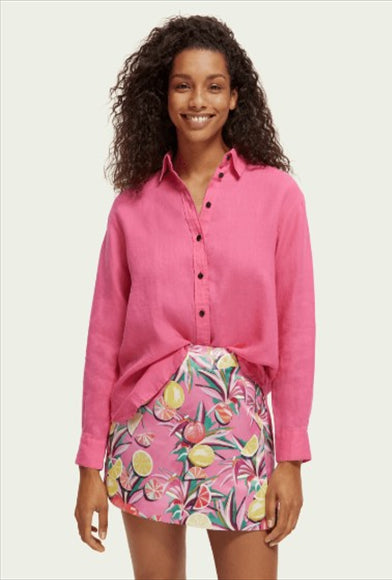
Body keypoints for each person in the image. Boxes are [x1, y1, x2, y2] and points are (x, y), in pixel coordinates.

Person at [74, 14, 316, 580]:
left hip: (241, 429)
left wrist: (291, 460)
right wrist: (89, 464)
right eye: (183, 85)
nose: (198, 100)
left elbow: (297, 330)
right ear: (163, 97)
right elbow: (103, 338)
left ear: (235, 97)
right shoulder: (131, 206)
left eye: (213, 86)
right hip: (146, 426)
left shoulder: (279, 197)